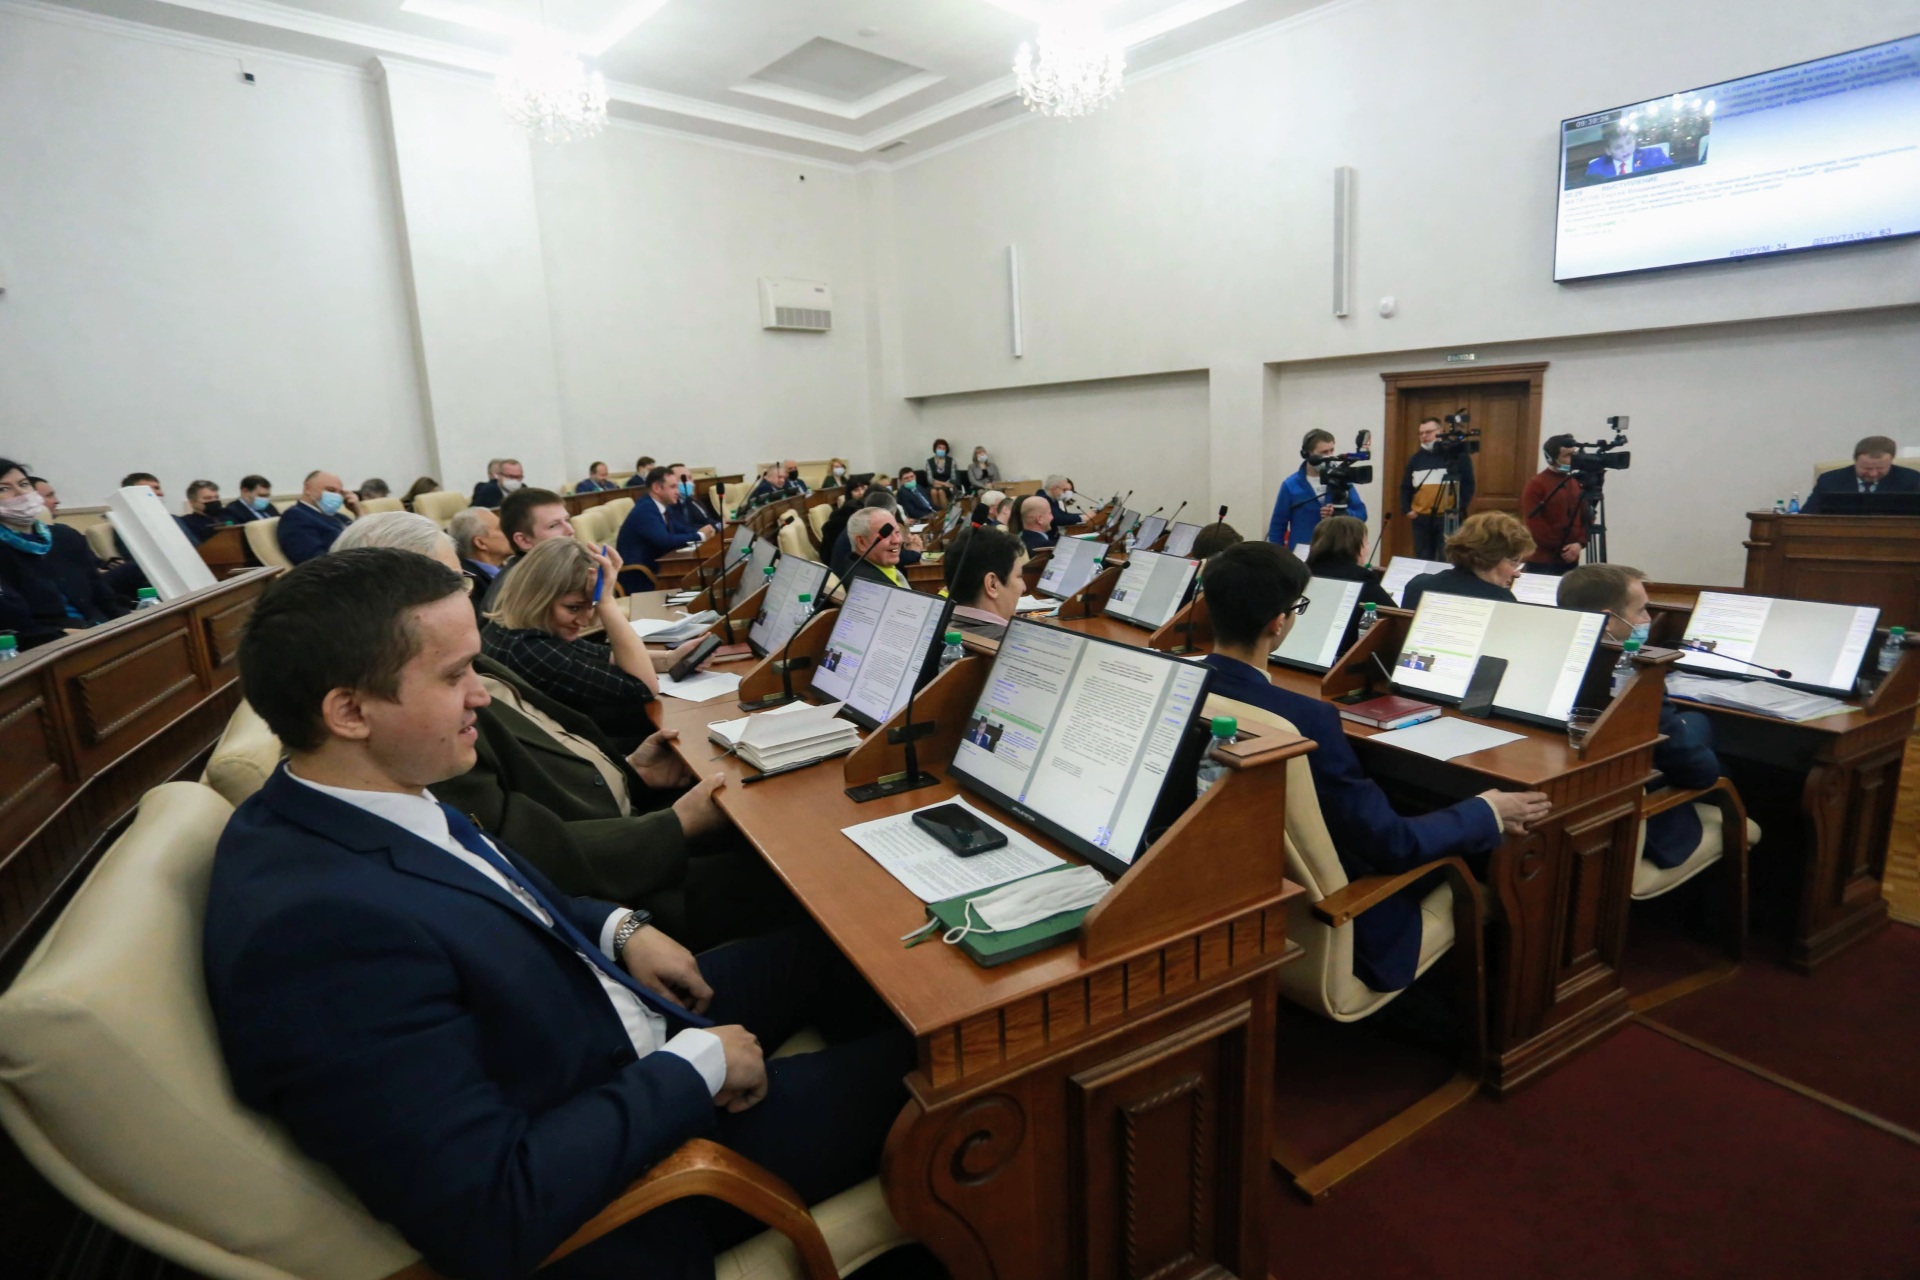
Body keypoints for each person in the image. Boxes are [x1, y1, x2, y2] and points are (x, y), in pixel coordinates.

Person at [204, 547, 910, 1280]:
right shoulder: (318, 935)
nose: (481, 696)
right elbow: (493, 1207)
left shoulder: (364, 791)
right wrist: (696, 1068)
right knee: (939, 1072)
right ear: (349, 712)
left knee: (843, 946)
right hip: (640, 1162)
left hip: (597, 1023)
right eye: (454, 675)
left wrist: (616, 928)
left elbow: (499, 891)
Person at [331, 513, 789, 949]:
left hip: (624, 817)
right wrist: (675, 825)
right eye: (446, 583)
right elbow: (518, 852)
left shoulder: (473, 660)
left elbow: (555, 756)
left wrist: (631, 771)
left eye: (461, 581)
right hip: (622, 879)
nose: (463, 597)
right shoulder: (422, 723)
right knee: (785, 867)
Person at [1199, 541, 1549, 992]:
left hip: (1241, 894)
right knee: (1490, 847)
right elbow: (1392, 844)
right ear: (1278, 622)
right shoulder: (1308, 720)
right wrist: (1488, 811)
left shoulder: (1189, 683)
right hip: (1351, 921)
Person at [1557, 564, 1723, 871]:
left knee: (1691, 724)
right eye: (1642, 610)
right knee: (1701, 730)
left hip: (1571, 806)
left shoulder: (1553, 654)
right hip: (1621, 823)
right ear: (1608, 619)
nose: (1648, 619)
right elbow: (1701, 774)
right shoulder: (1631, 678)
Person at [484, 538, 699, 749]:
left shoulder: (512, 628)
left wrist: (669, 659)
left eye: (592, 605)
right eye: (573, 608)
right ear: (537, 597)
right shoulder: (530, 651)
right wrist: (606, 603)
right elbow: (644, 687)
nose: (585, 621)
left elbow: (600, 654)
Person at [0, 459, 129, 644]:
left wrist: (128, 624)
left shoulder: (65, 536)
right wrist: (61, 636)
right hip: (47, 644)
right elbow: (14, 624)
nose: (21, 493)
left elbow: (103, 595)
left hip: (99, 629)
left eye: (24, 484)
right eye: (4, 488)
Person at [1402, 511, 1534, 610]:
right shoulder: (1501, 601)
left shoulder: (1417, 586)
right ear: (1492, 556)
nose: (1517, 573)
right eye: (1514, 562)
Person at [1267, 429, 1369, 551]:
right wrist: (1278, 556)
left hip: (1336, 551)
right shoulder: (1290, 485)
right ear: (1307, 454)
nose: (1329, 456)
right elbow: (1277, 526)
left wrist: (1341, 513)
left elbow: (1362, 514)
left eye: (1331, 450)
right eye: (1324, 452)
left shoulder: (1341, 479)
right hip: (1303, 553)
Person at [481, 487, 578, 613]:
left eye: (567, 520)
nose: (570, 530)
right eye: (553, 525)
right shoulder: (521, 591)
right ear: (524, 541)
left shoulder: (557, 568)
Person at [616, 467, 710, 591]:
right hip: (642, 577)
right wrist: (700, 536)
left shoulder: (662, 506)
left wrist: (703, 530)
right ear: (657, 488)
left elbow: (679, 528)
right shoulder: (645, 510)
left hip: (659, 567)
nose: (677, 492)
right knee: (700, 580)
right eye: (673, 487)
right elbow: (665, 541)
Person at [1401, 417, 1475, 560]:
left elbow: (1468, 484)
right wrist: (1407, 509)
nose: (1424, 436)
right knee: (1422, 558)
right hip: (1421, 518)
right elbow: (1406, 486)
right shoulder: (1415, 459)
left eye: (1428, 432)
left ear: (1440, 431)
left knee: (1446, 557)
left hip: (1448, 518)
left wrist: (1459, 507)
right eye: (1421, 433)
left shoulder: (1457, 456)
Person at [943, 525, 1027, 641]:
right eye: (1019, 576)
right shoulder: (1012, 642)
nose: (1024, 587)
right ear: (992, 584)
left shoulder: (938, 628)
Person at [1803, 435, 1920, 512]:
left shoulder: (1911, 480)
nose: (1873, 474)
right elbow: (1807, 516)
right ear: (1855, 461)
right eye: (1867, 468)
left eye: (1881, 468)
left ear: (1891, 461)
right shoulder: (1830, 480)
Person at [1521, 435, 1585, 576]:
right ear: (1551, 459)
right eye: (1567, 455)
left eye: (1574, 454)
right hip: (1542, 561)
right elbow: (1535, 524)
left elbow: (1586, 516)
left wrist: (1579, 544)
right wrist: (1563, 548)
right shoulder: (1536, 484)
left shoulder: (1575, 482)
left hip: (1571, 558)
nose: (1573, 459)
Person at [1305, 514, 1395, 610]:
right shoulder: (1361, 577)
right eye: (1366, 543)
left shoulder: (1302, 571)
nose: (1367, 549)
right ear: (1355, 546)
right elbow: (1394, 613)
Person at [277, 470, 359, 565]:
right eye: (331, 490)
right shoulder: (295, 517)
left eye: (340, 493)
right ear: (308, 488)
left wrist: (358, 511)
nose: (336, 496)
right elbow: (315, 561)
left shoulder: (336, 516)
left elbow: (362, 535)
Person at [840, 507, 911, 592]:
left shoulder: (879, 563)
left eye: (897, 532)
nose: (897, 540)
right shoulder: (868, 586)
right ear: (862, 542)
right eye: (886, 534)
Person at [1585, 120, 1673, 179]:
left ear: (1634, 140)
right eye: (1618, 147)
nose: (1625, 149)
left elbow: (1672, 177)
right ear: (1608, 150)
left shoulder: (1655, 155)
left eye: (1629, 142)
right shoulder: (1595, 168)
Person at [818, 475, 872, 567]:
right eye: (856, 490)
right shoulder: (845, 514)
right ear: (849, 493)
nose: (861, 493)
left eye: (863, 488)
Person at [449, 506, 513, 581]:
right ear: (481, 543)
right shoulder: (471, 584)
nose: (510, 531)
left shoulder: (510, 566)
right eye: (500, 528)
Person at [664, 464, 721, 536]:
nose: (689, 482)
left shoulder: (692, 500)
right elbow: (680, 528)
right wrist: (701, 531)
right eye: (683, 478)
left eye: (690, 477)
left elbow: (706, 519)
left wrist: (719, 525)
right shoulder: (668, 504)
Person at [180, 479, 227, 544]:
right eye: (208, 498)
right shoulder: (187, 523)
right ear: (192, 502)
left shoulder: (227, 515)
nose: (214, 501)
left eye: (216, 497)